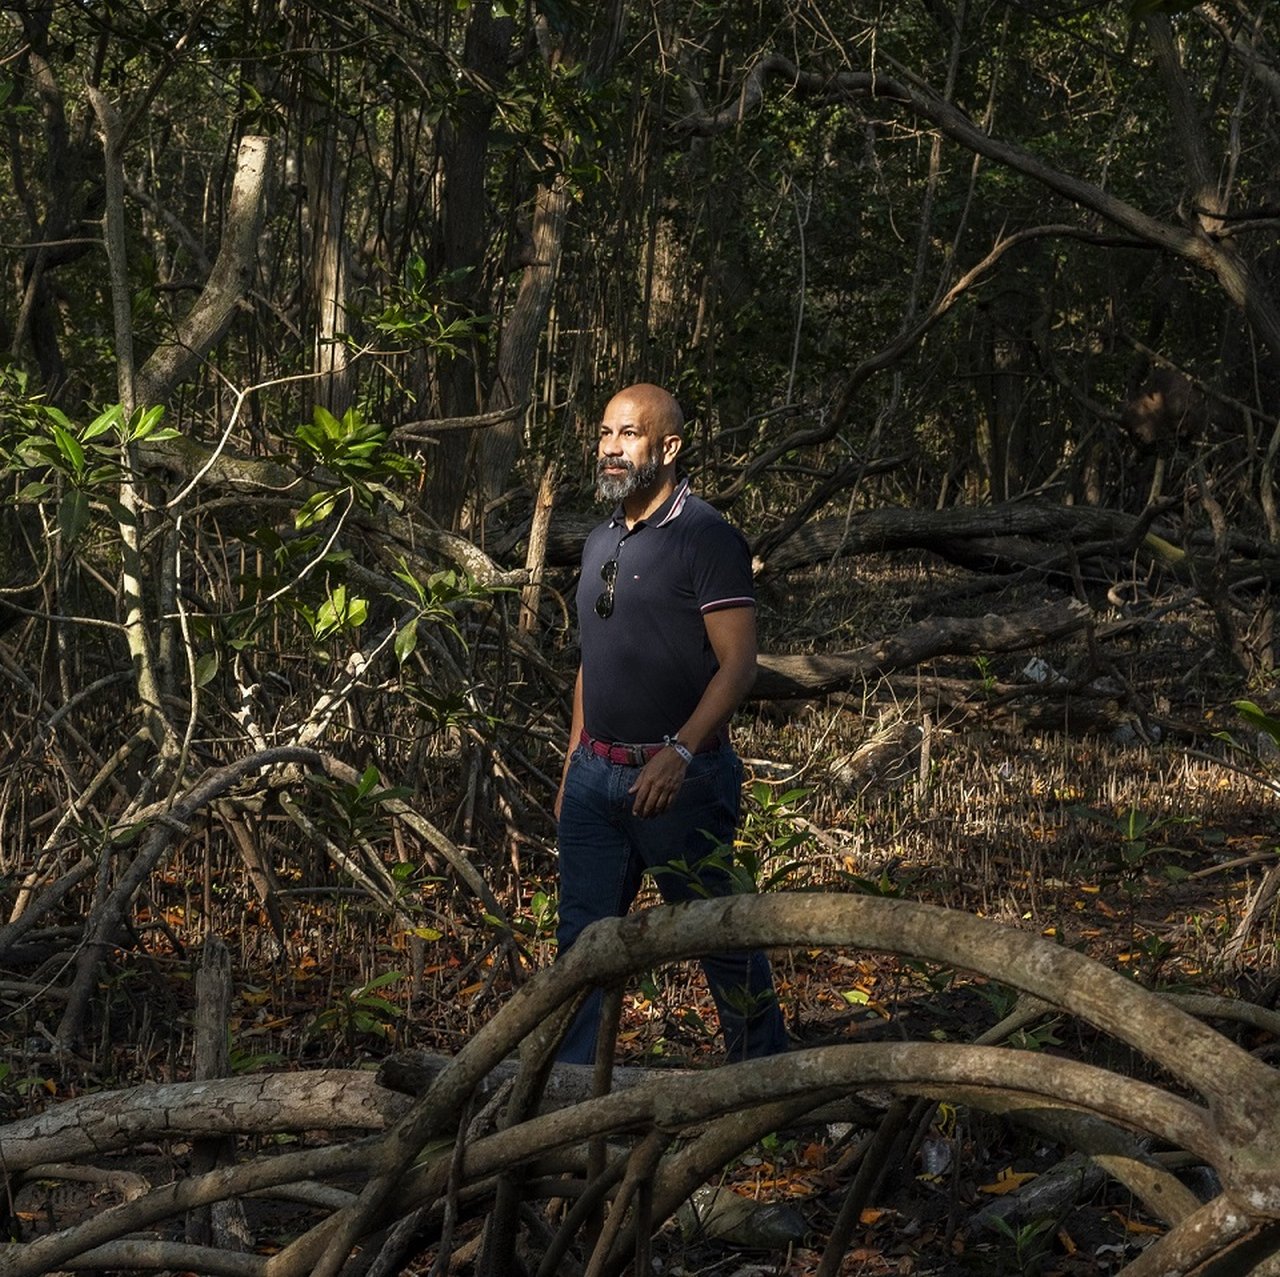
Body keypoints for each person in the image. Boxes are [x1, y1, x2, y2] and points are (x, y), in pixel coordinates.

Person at [552, 382, 789, 1065]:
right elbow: (590, 663)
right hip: (596, 783)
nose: (612, 448)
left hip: (681, 784)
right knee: (581, 953)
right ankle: (570, 1101)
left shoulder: (705, 537)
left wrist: (680, 752)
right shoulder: (599, 540)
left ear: (669, 445)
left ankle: (766, 1086)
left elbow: (739, 665)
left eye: (628, 434)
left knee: (722, 941)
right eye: (605, 433)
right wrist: (574, 761)